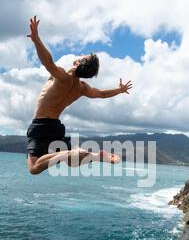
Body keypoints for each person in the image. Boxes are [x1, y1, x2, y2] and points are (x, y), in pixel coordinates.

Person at [26, 16, 133, 175]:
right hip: (56, 127)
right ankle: (96, 156)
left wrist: (36, 40)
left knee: (34, 168)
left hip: (41, 125)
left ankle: (66, 152)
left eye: (83, 57)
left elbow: (48, 62)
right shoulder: (82, 88)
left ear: (78, 63)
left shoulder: (62, 77)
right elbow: (102, 94)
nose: (80, 55)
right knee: (72, 161)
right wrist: (119, 90)